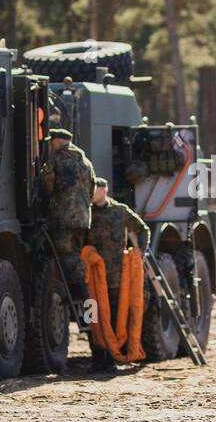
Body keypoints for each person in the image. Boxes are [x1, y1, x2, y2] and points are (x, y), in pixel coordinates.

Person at [86, 177, 150, 372]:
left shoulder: (120, 211)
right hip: (94, 278)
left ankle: (111, 358)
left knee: (114, 318)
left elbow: (142, 229)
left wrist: (140, 251)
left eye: (95, 189)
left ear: (104, 190)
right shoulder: (87, 213)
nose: (92, 192)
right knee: (92, 317)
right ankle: (97, 360)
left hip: (116, 277)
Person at [40, 128, 96, 317]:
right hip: (82, 219)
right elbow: (92, 190)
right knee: (73, 258)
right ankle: (78, 301)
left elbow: (46, 185)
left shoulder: (56, 160)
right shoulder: (86, 162)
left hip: (63, 218)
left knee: (69, 260)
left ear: (58, 142)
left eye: (52, 141)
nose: (50, 144)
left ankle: (85, 309)